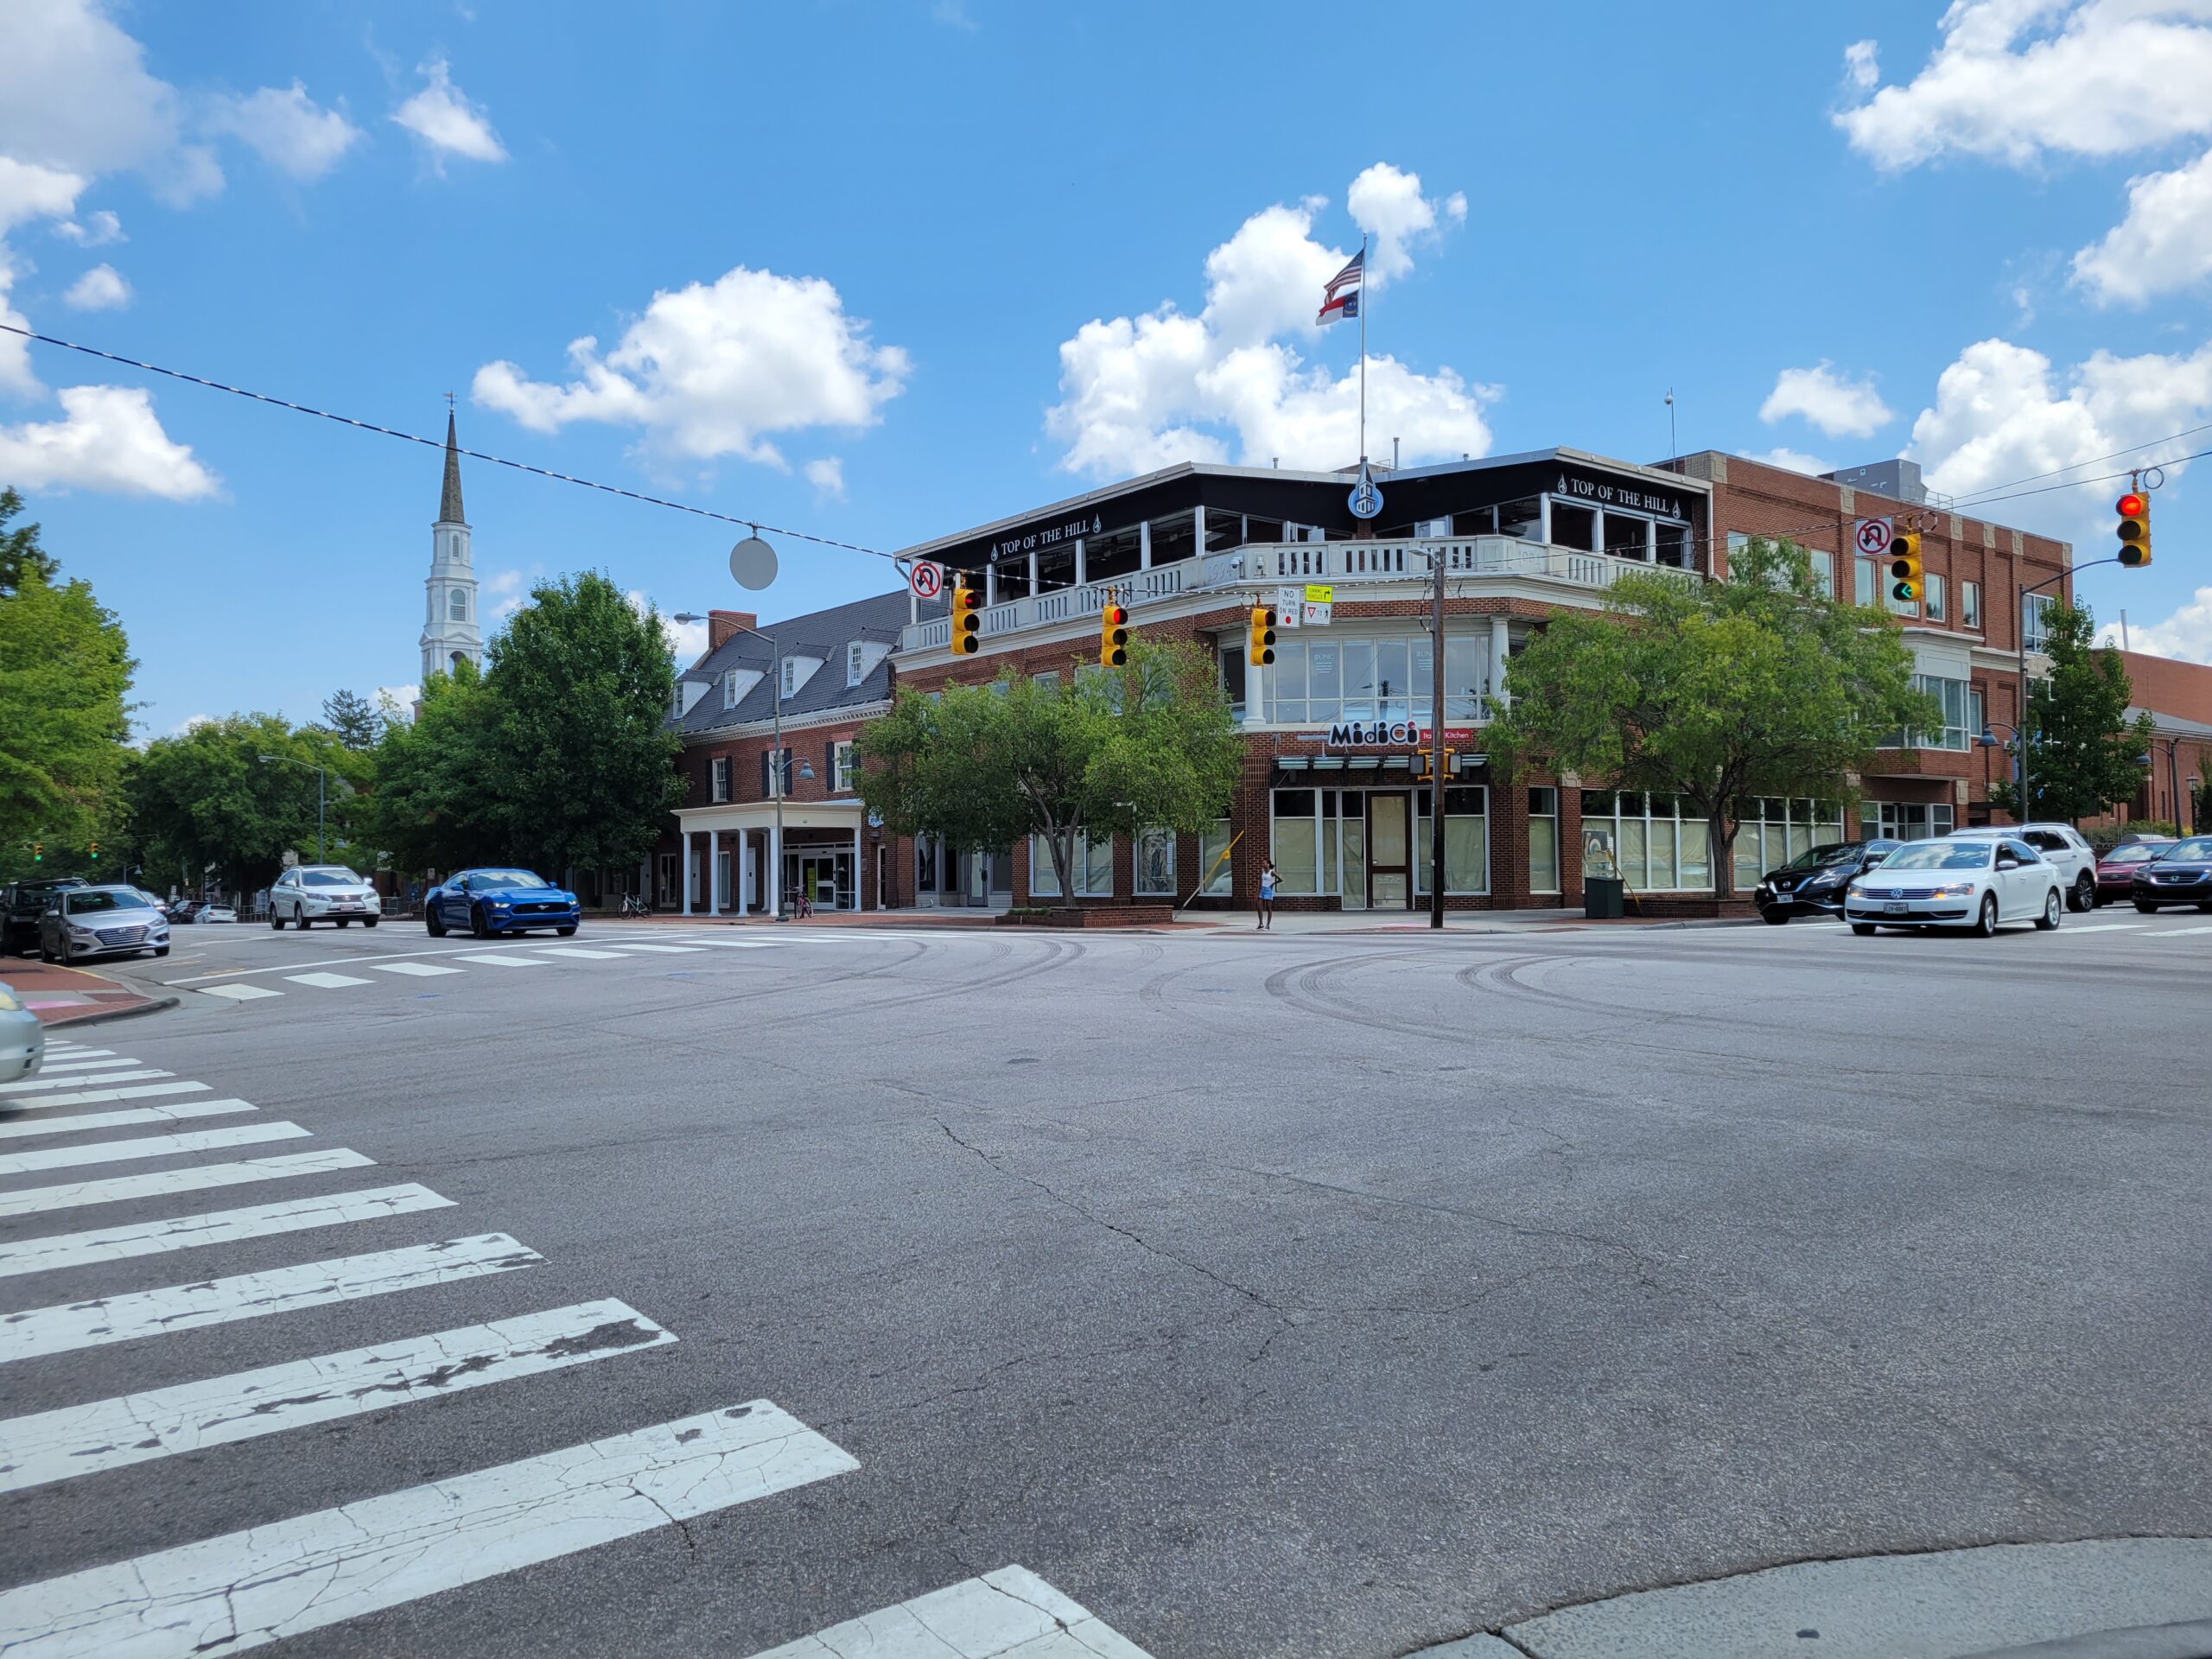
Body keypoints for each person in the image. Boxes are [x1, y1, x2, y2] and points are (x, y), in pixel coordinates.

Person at [1256, 858, 1277, 931]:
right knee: (1259, 907)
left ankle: (1268, 925)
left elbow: (1280, 879)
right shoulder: (1262, 872)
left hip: (1268, 890)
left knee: (1268, 907)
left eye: (1264, 863)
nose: (1263, 865)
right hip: (1262, 890)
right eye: (1262, 863)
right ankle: (1261, 924)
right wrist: (1257, 892)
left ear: (1268, 864)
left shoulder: (1271, 872)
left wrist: (1273, 883)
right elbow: (1260, 883)